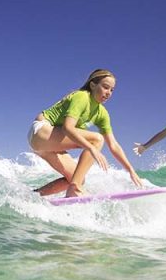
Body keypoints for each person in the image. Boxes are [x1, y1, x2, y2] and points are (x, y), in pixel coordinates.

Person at [28, 69, 142, 197]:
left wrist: (131, 170)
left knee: (77, 177)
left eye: (112, 90)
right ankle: (74, 189)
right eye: (105, 87)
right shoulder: (82, 97)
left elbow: (113, 145)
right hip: (41, 131)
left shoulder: (102, 113)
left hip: (47, 145)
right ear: (93, 85)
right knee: (97, 139)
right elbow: (67, 128)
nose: (108, 93)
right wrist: (91, 148)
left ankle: (32, 196)